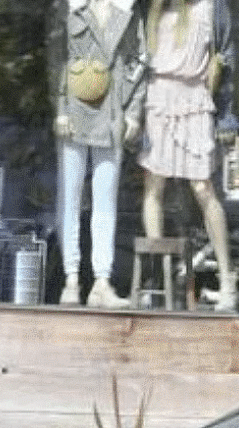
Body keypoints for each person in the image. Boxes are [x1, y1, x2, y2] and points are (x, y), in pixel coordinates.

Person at [140, 0, 239, 311]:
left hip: (195, 98)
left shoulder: (211, 7)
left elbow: (227, 59)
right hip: (157, 98)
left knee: (203, 188)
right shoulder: (153, 7)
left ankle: (227, 280)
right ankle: (156, 280)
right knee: (154, 187)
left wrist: (226, 117)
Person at [51, 0, 147, 309]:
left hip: (112, 114)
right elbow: (56, 59)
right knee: (70, 198)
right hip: (76, 113)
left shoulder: (128, 11)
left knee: (105, 201)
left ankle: (101, 282)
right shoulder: (69, 8)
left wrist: (133, 113)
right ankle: (71, 278)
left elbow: (140, 61)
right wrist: (60, 109)